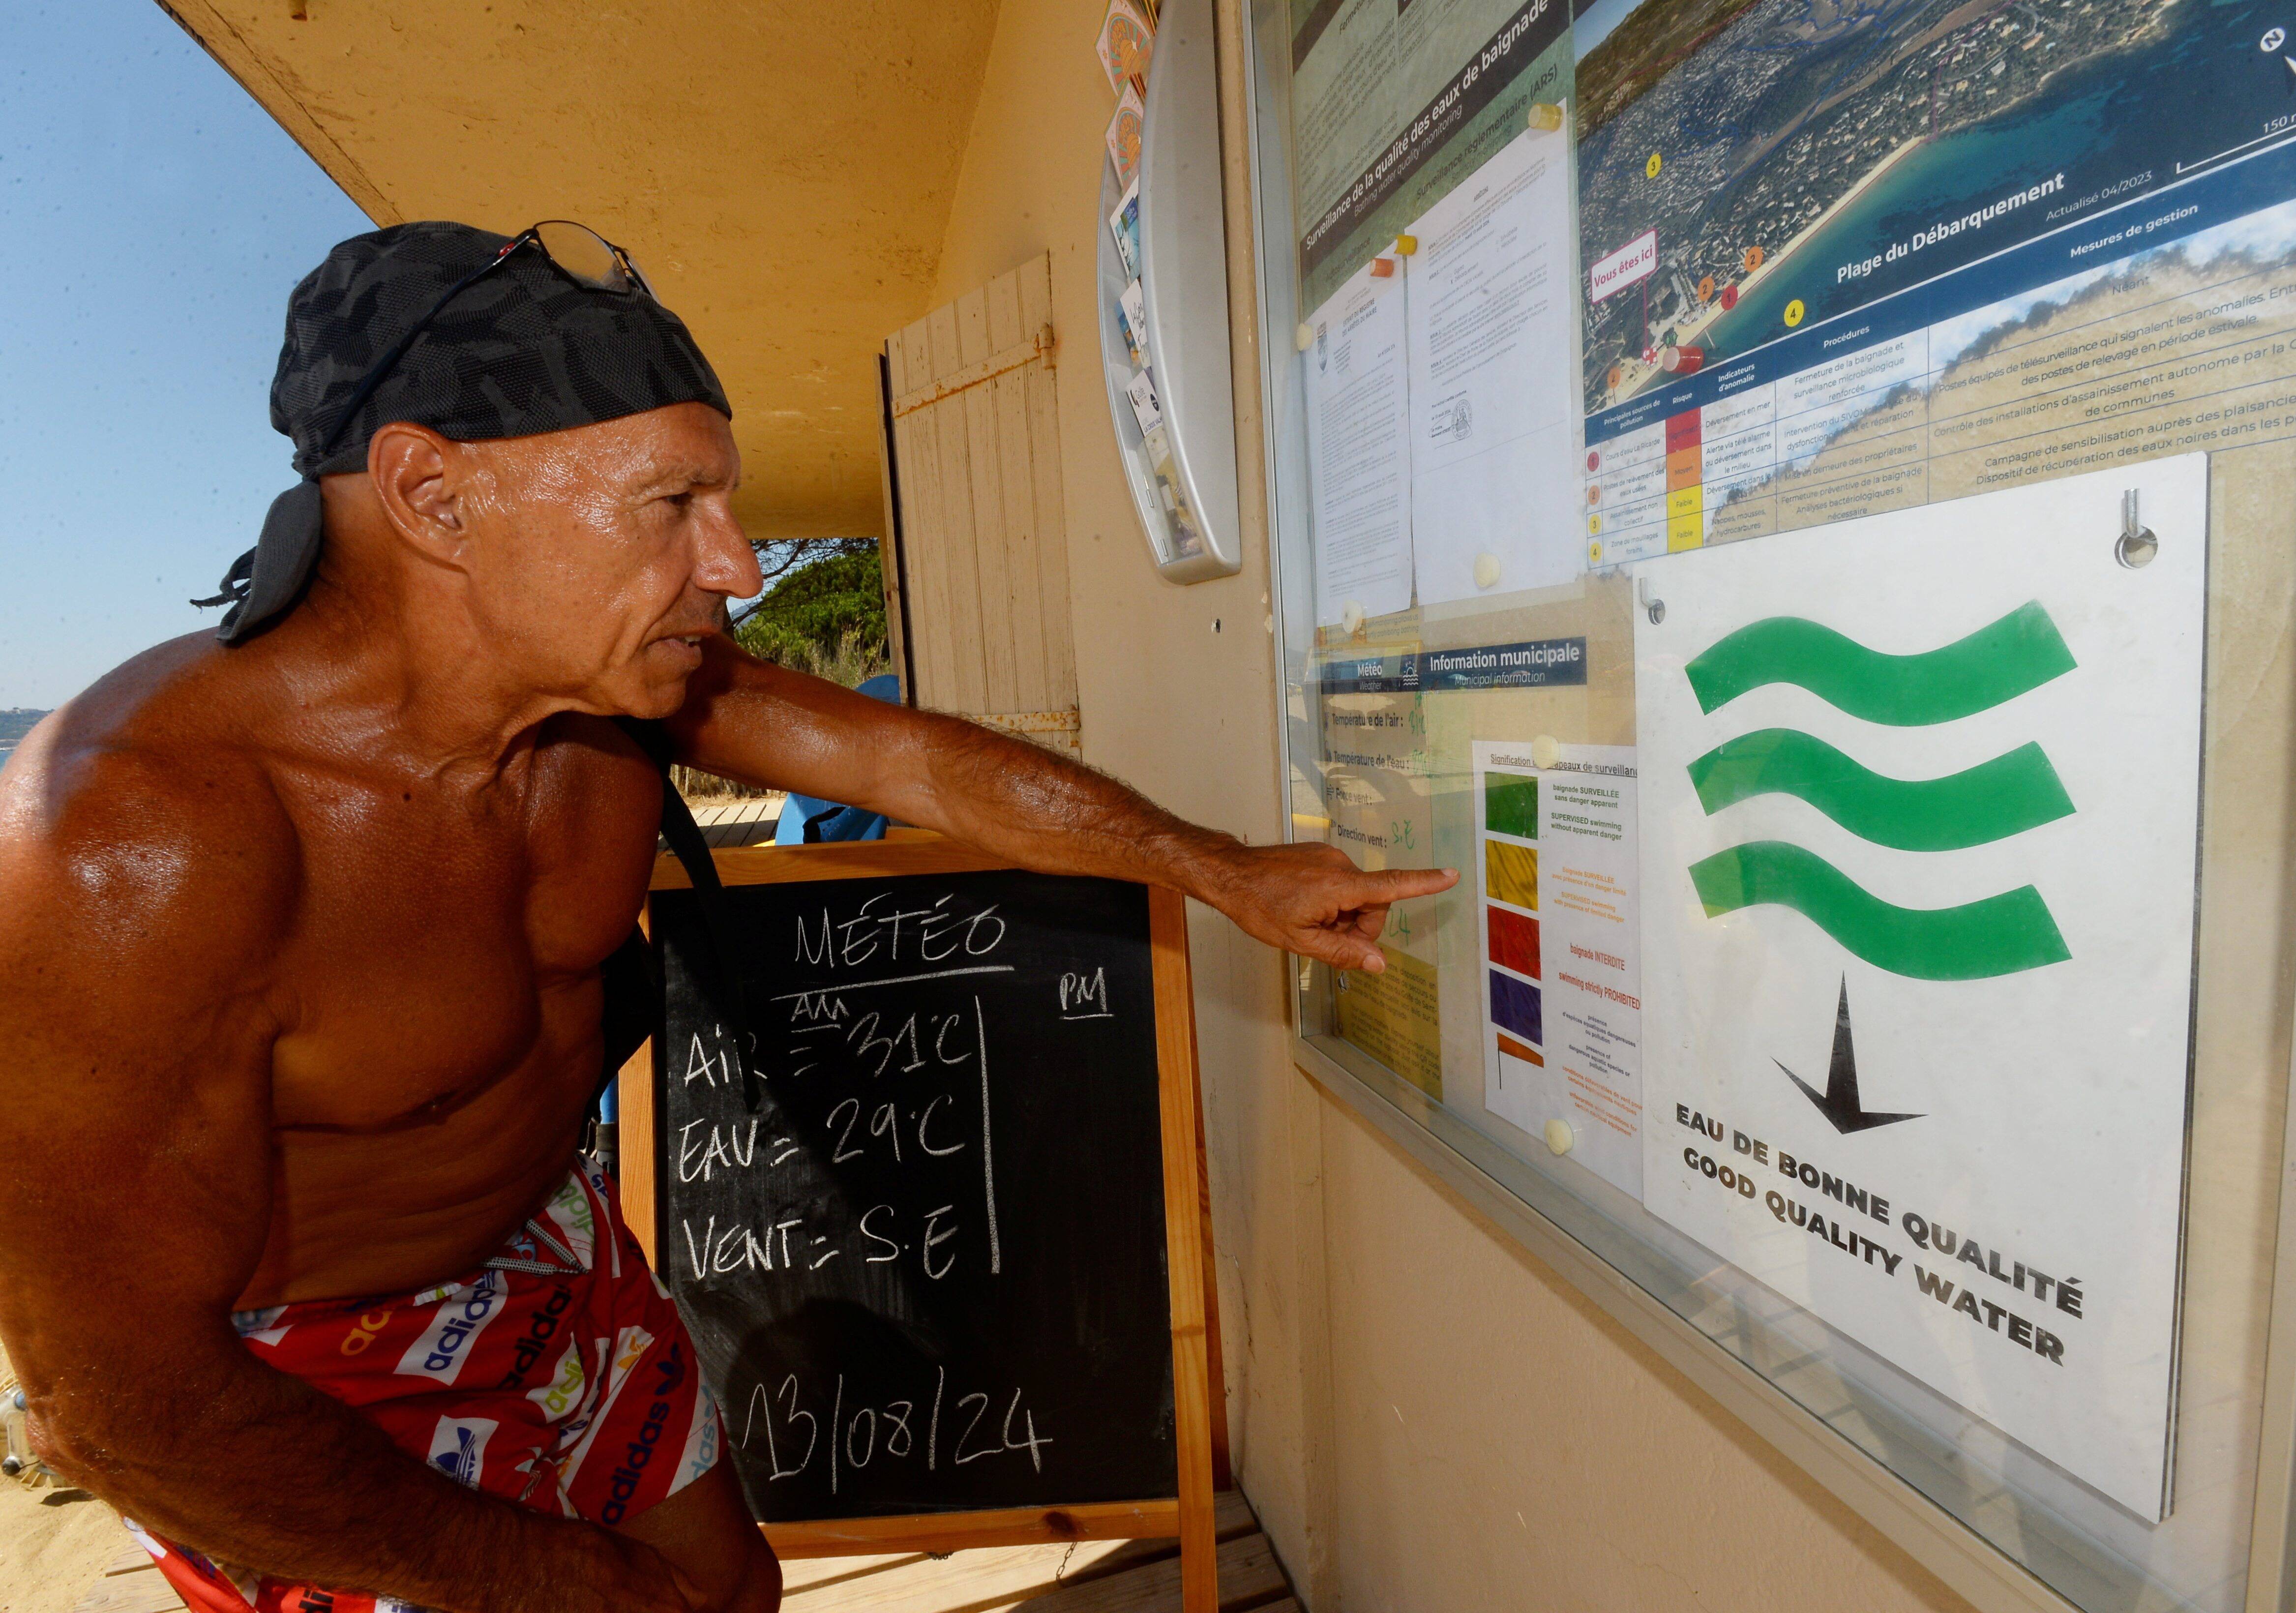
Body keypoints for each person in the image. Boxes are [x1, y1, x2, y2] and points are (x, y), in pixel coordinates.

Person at [0, 222, 1453, 1613]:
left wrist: (1218, 866)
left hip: (556, 1243)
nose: (741, 566)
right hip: (306, 1373)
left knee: (728, 1592)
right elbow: (107, 1399)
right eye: (673, 505)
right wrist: (576, 1586)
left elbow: (905, 759)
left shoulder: (615, 683)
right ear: (435, 498)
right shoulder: (139, 845)